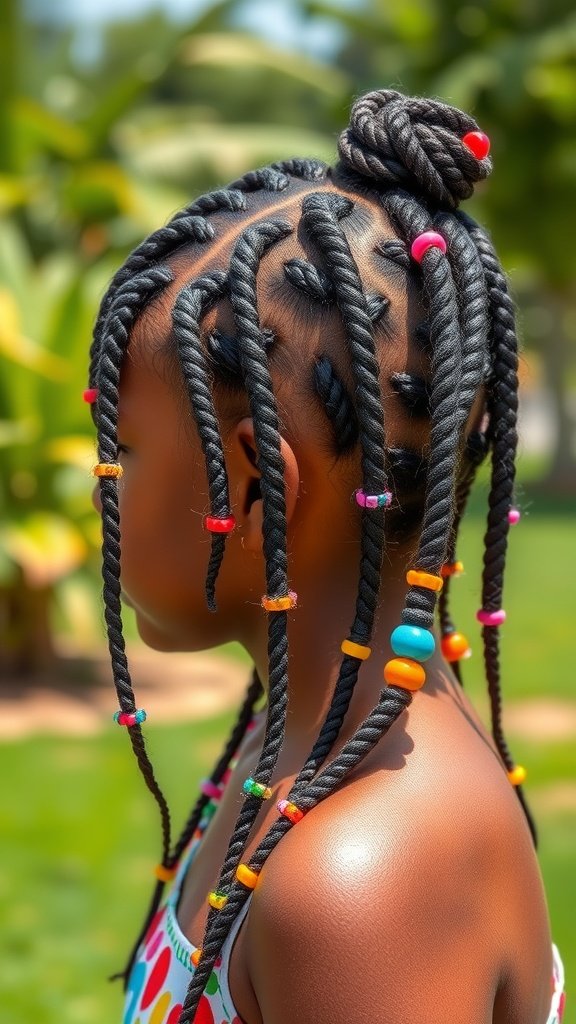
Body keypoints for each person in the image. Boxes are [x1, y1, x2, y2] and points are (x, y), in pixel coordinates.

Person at [87, 88, 565, 1024]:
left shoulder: (361, 881)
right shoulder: (306, 758)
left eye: (122, 452)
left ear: (260, 488)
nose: (101, 489)